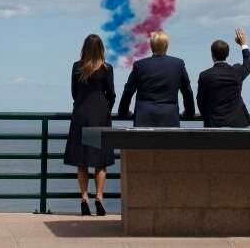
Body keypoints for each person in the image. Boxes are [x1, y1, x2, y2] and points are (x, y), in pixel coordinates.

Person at [63, 34, 116, 216]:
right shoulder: (106, 68)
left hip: (81, 115)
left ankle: (84, 197)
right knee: (100, 161)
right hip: (99, 115)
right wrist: (106, 107)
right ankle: (99, 197)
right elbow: (112, 93)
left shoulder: (77, 67)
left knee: (82, 160)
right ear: (101, 48)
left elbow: (74, 92)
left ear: (84, 48)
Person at [117, 30, 195, 126]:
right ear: (166, 45)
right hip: (170, 118)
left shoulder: (140, 65)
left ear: (151, 46)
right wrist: (190, 112)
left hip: (143, 119)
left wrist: (123, 112)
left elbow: (128, 91)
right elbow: (187, 92)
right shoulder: (178, 64)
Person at [196, 27, 250, 127]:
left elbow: (200, 100)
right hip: (237, 124)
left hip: (214, 124)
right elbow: (249, 63)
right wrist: (243, 44)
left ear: (212, 55)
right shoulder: (237, 71)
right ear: (227, 54)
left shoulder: (205, 75)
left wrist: (206, 118)